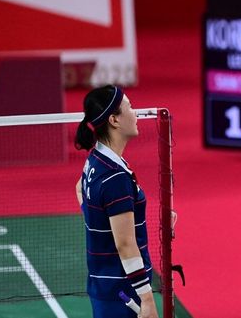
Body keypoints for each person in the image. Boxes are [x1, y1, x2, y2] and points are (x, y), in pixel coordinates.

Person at [74, 85, 158, 318]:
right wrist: (147, 299)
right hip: (122, 291)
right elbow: (125, 244)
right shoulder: (114, 177)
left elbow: (80, 189)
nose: (136, 113)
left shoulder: (96, 159)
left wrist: (100, 224)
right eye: (129, 107)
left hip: (104, 285)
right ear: (114, 120)